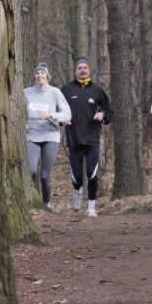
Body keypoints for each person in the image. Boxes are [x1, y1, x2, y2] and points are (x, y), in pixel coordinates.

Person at [61, 57, 113, 217]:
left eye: (85, 68)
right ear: (75, 71)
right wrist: (61, 120)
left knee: (91, 172)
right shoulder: (66, 89)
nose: (82, 70)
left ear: (89, 71)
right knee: (76, 175)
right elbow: (56, 110)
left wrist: (102, 115)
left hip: (92, 139)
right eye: (79, 68)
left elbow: (110, 113)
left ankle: (91, 206)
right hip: (74, 138)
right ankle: (77, 190)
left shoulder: (97, 90)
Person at [25, 63, 72, 211]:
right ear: (33, 76)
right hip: (32, 135)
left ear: (47, 76)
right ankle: (31, 199)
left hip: (50, 136)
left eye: (42, 73)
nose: (40, 76)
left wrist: (51, 114)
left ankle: (46, 205)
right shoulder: (26, 92)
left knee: (45, 175)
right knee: (32, 170)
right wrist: (22, 124)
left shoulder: (55, 92)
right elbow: (17, 110)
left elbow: (67, 114)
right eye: (37, 73)